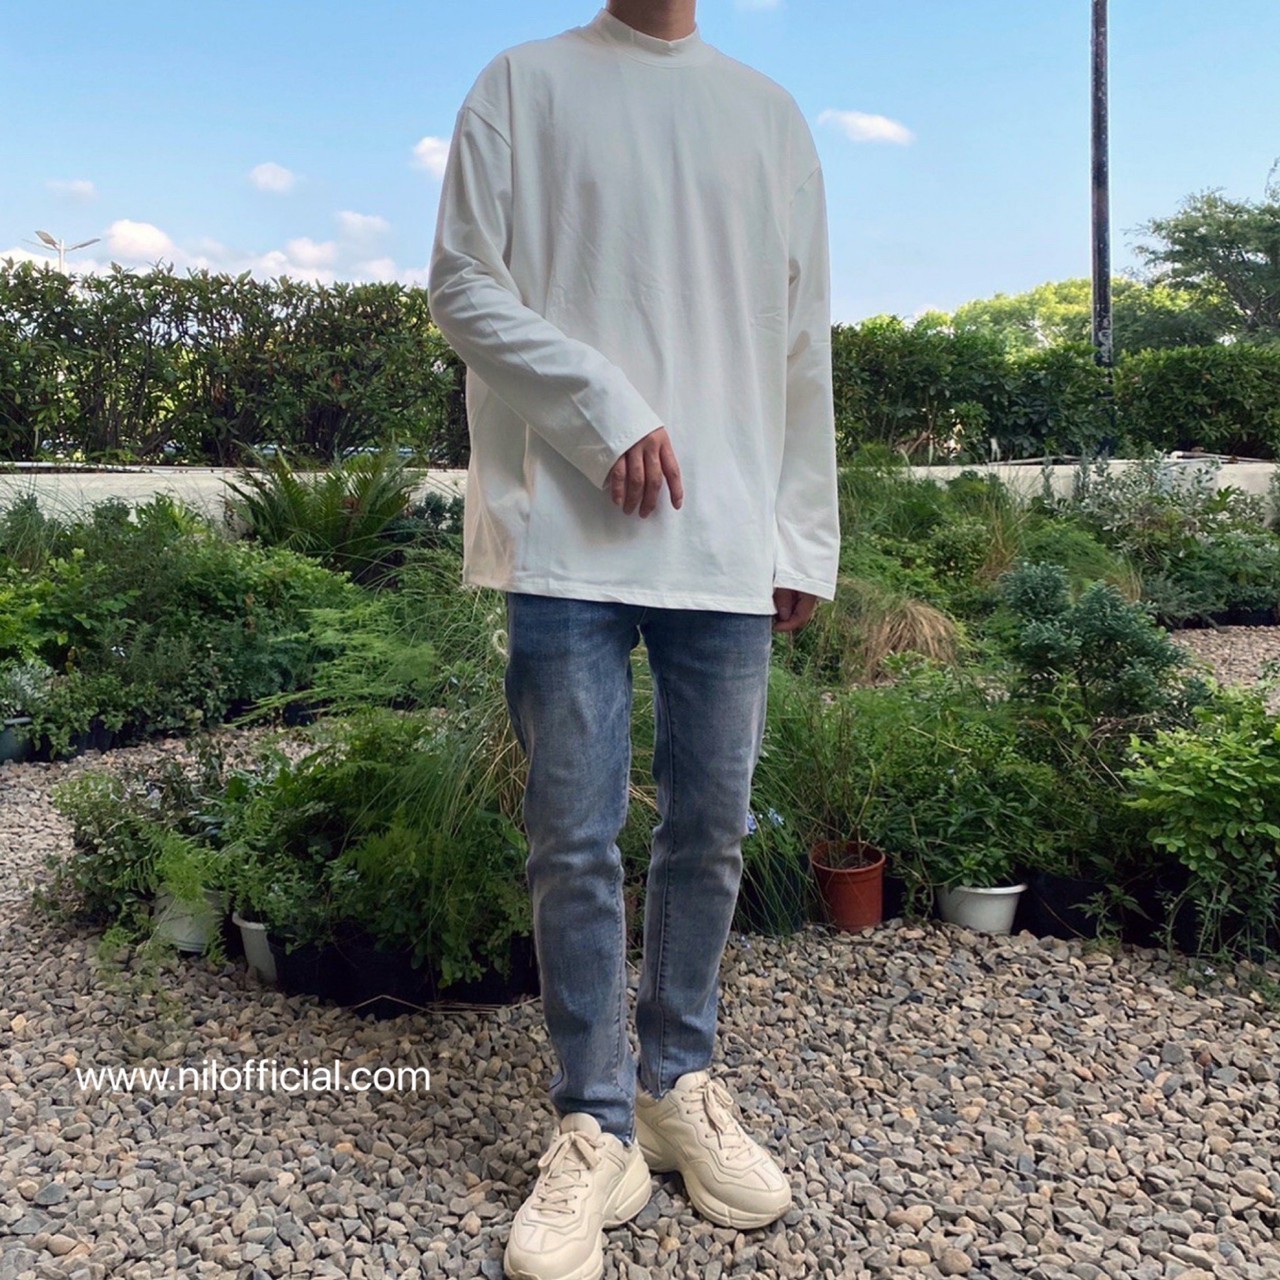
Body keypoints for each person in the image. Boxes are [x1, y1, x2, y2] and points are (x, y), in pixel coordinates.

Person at [427, 2, 839, 1276]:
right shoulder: (520, 84)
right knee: (572, 839)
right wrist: (604, 407)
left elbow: (799, 340)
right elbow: (461, 286)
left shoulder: (767, 115)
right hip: (564, 531)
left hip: (725, 534)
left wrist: (798, 532)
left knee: (710, 829)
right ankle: (591, 1121)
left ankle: (677, 1085)